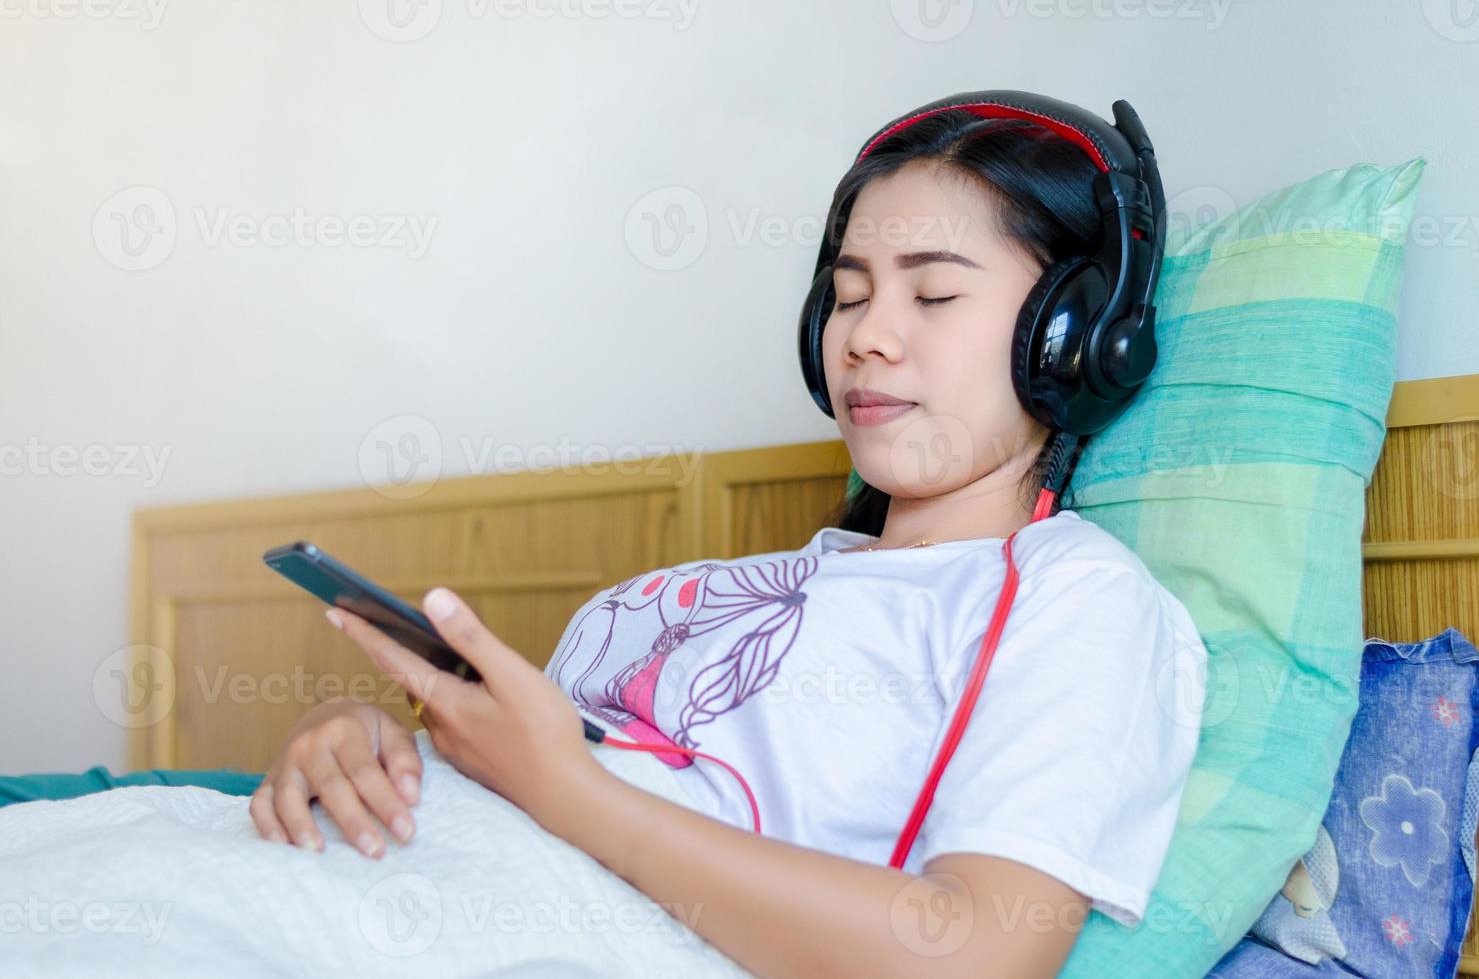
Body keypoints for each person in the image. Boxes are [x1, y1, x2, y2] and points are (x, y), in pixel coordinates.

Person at [3, 96, 1208, 978]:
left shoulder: (1075, 599)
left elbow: (974, 957)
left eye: (931, 294)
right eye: (845, 294)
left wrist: (570, 790)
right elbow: (516, 786)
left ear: (1072, 334)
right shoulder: (686, 588)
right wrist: (363, 744)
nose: (867, 337)